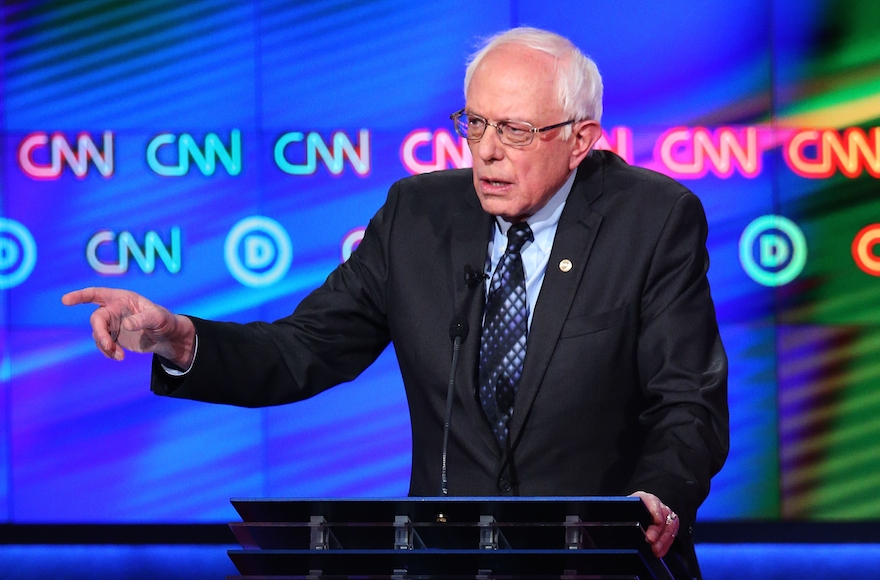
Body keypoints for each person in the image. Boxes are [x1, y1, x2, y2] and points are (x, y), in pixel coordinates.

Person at [63, 27, 728, 578]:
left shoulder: (652, 219)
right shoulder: (419, 216)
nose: (488, 152)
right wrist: (179, 337)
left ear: (580, 140)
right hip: (448, 565)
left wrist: (656, 499)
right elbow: (302, 350)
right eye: (476, 123)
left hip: (606, 565)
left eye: (516, 131)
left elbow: (688, 402)